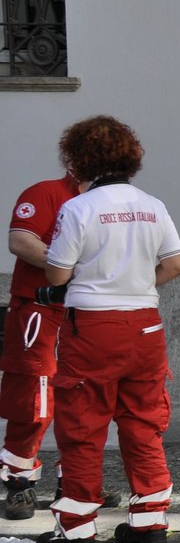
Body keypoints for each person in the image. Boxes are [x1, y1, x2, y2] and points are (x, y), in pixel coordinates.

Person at [34, 116, 180, 543]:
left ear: (79, 159)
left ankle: (78, 531)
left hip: (93, 327)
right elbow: (175, 265)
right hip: (145, 325)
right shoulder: (152, 204)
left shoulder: (78, 208)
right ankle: (150, 521)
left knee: (83, 423)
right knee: (143, 421)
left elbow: (58, 272)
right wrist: (135, 284)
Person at [2, 165, 91, 520]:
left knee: (85, 397)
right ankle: (18, 483)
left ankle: (75, 483)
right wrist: (66, 268)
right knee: (34, 398)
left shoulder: (106, 200)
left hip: (85, 311)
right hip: (39, 308)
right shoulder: (46, 192)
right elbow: (20, 240)